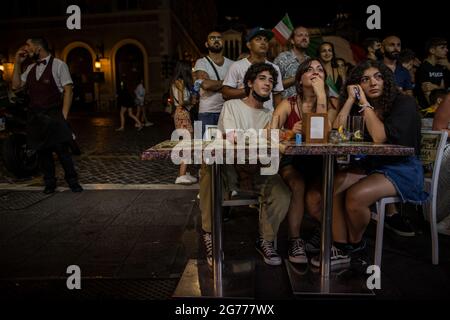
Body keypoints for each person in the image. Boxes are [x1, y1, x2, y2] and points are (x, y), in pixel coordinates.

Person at [312, 60, 428, 269]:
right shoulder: (360, 107)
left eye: (378, 77)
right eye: (365, 80)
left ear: (386, 80)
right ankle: (340, 245)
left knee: (355, 195)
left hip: (403, 167)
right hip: (372, 165)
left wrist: (363, 101)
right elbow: (336, 133)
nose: (373, 82)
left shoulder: (404, 103)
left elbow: (378, 137)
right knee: (334, 185)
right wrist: (349, 100)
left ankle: (355, 245)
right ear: (357, 85)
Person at [201, 62, 291, 266]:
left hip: (259, 170)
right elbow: (234, 139)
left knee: (282, 193)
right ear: (249, 82)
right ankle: (209, 234)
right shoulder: (232, 106)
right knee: (208, 170)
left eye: (271, 80)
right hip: (232, 168)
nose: (268, 83)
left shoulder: (271, 115)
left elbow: (274, 147)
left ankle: (265, 240)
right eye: (262, 78)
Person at [272, 58, 338, 263]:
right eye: (309, 69)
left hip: (322, 162)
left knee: (316, 196)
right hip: (293, 160)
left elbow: (324, 133)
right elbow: (270, 132)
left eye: (320, 69)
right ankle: (295, 240)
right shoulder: (288, 103)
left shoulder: (332, 102)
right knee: (298, 184)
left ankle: (327, 235)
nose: (316, 72)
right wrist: (290, 132)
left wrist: (320, 95)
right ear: (300, 80)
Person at [12, 37, 82, 194]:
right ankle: (50, 183)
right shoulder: (29, 68)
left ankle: (73, 181)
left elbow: (68, 90)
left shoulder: (59, 65)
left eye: (28, 46)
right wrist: (17, 63)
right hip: (35, 118)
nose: (26, 49)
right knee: (43, 153)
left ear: (38, 48)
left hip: (53, 115)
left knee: (63, 153)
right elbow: (16, 86)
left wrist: (63, 116)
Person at [222, 27, 284, 111]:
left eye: (265, 40)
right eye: (258, 39)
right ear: (249, 45)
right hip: (243, 115)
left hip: (266, 115)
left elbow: (277, 96)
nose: (263, 42)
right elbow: (225, 93)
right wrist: (252, 89)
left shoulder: (274, 68)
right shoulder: (237, 66)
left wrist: (277, 118)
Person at [171, 60, 197, 185]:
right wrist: (189, 101)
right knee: (187, 143)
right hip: (182, 113)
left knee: (186, 143)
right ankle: (181, 175)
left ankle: (184, 172)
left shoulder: (179, 83)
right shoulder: (179, 83)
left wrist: (192, 101)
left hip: (182, 113)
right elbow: (181, 102)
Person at [273, 26, 310, 99]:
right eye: (300, 35)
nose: (304, 38)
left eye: (307, 35)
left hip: (306, 106)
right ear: (292, 41)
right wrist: (298, 77)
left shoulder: (310, 60)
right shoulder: (282, 58)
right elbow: (273, 85)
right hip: (286, 107)